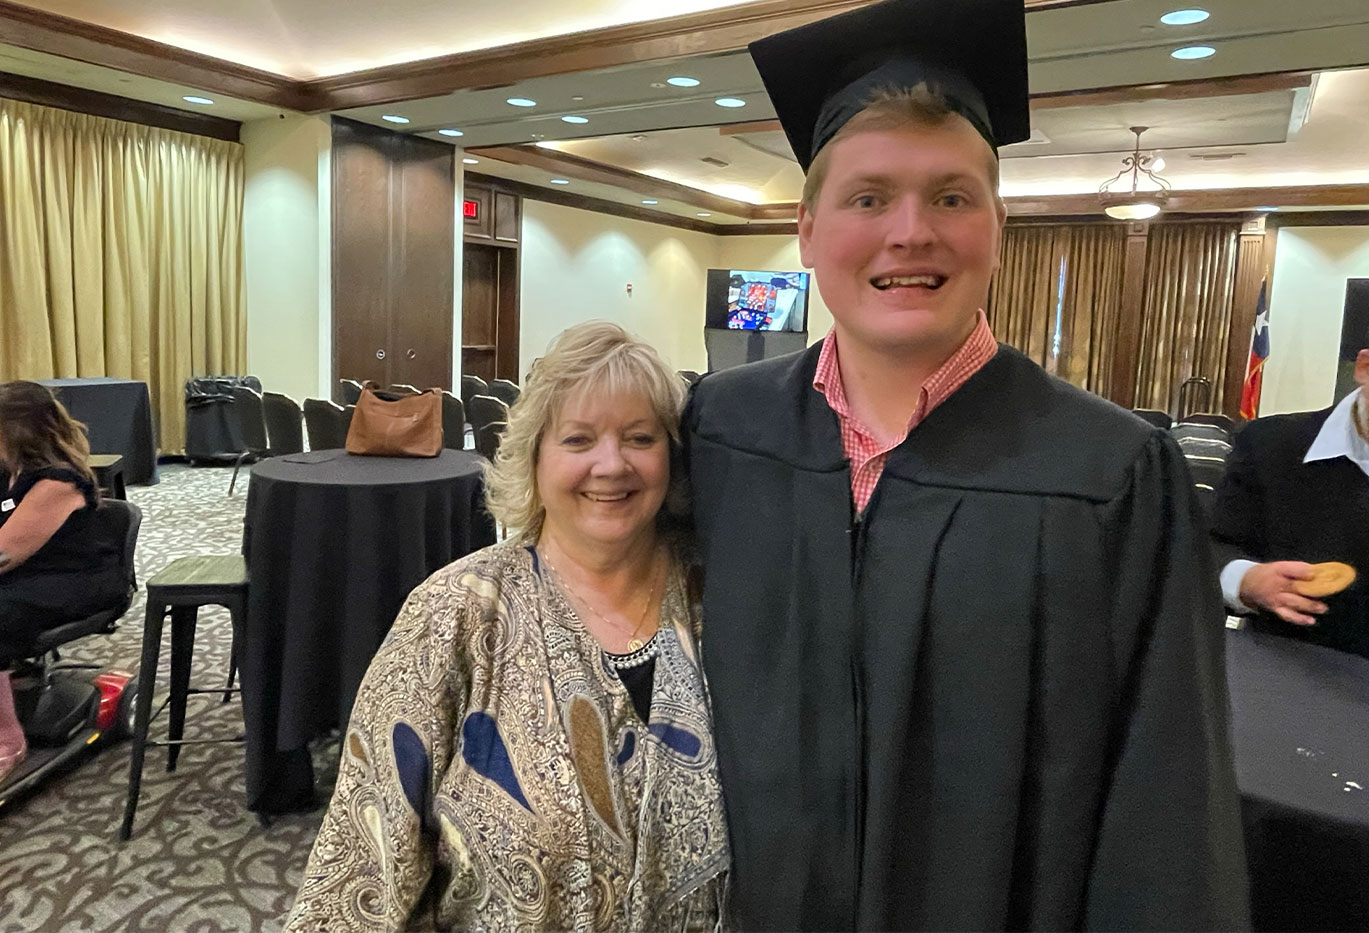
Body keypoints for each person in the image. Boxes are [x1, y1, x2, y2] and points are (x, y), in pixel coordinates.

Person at [682, 0, 1250, 928]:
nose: (911, 232)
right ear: (807, 229)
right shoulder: (723, 426)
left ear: (997, 225)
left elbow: (1168, 805)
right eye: (869, 197)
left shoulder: (1111, 474)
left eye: (951, 196)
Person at [286, 322, 728, 931]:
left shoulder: (725, 602)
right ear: (534, 456)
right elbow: (361, 869)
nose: (611, 464)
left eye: (639, 437)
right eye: (578, 439)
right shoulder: (452, 616)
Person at [1212, 308, 1369, 660]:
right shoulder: (1272, 448)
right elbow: (1211, 547)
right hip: (1308, 685)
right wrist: (1248, 581)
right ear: (1366, 367)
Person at [0, 381, 122, 789]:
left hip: (73, 579)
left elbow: (0, 557)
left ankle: (5, 739)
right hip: (24, 576)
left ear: (16, 427)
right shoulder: (0, 470)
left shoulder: (56, 482)